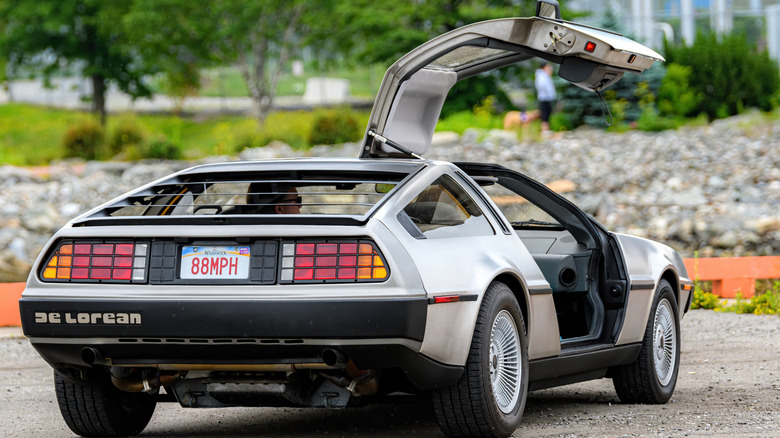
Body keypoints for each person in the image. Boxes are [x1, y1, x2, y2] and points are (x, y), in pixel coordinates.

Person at [534, 62, 557, 134]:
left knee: (547, 113)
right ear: (544, 67)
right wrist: (548, 93)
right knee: (544, 115)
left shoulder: (545, 75)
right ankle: (544, 130)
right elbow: (542, 86)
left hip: (547, 98)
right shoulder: (542, 76)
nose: (550, 68)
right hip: (544, 98)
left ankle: (546, 130)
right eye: (549, 66)